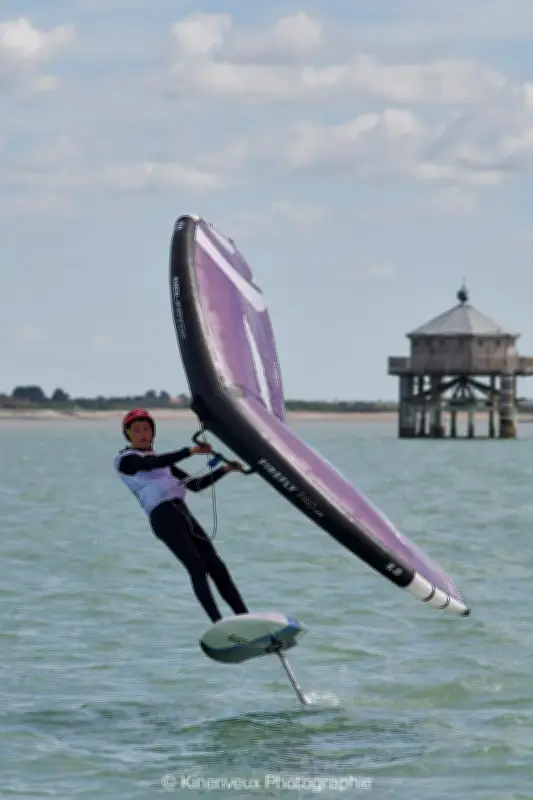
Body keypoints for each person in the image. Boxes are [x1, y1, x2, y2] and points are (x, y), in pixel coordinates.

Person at [113, 408, 249, 624]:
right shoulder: (126, 460)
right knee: (196, 565)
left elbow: (195, 485)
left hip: (182, 512)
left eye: (146, 429)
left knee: (216, 565)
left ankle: (245, 617)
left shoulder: (163, 463)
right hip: (163, 517)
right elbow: (150, 464)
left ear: (152, 432)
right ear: (128, 434)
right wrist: (190, 451)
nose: (142, 434)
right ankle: (219, 623)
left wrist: (224, 470)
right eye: (136, 430)